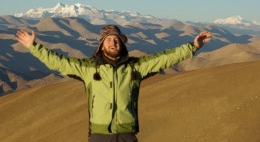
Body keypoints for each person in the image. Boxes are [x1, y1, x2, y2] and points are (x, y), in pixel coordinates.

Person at [16, 24, 212, 142]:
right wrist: (34, 47)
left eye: (117, 39)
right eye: (109, 39)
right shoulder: (89, 68)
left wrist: (192, 47)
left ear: (122, 44)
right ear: (101, 44)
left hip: (127, 135)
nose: (113, 42)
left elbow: (165, 58)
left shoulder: (135, 67)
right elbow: (59, 61)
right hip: (99, 136)